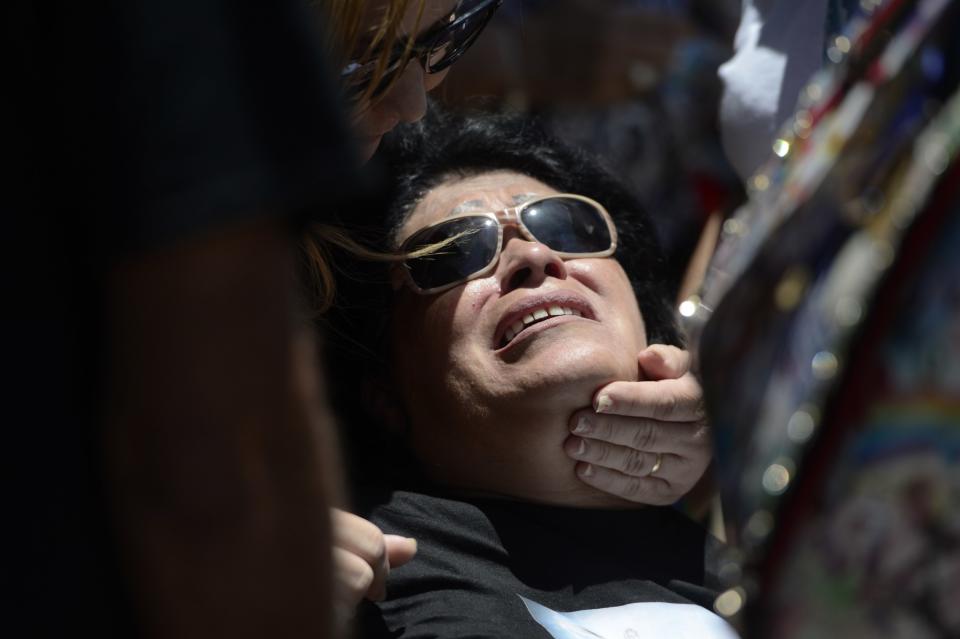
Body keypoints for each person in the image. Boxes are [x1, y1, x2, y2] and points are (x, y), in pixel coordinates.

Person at [322, 108, 729, 638]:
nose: (535, 255)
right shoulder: (337, 583)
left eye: (567, 226)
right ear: (385, 393)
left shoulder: (778, 554)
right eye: (456, 250)